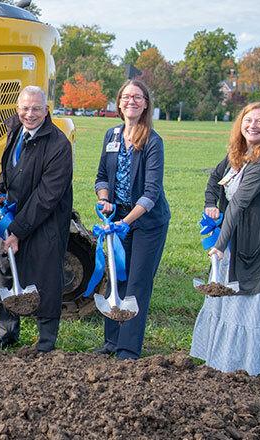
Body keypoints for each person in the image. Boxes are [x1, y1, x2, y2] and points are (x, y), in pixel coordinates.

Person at [190, 102, 260, 375]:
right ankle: (222, 361)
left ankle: (248, 366)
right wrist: (211, 203)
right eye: (248, 120)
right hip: (234, 238)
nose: (252, 126)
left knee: (248, 302)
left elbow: (239, 203)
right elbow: (214, 179)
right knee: (228, 301)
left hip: (258, 242)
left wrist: (219, 245)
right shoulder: (239, 153)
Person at [0, 86, 73, 352]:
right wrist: (0, 187)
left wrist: (17, 231)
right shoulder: (16, 128)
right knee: (8, 272)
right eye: (24, 108)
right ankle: (7, 333)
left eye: (36, 109)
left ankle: (45, 341)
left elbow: (47, 196)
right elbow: (10, 167)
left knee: (44, 277)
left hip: (46, 222)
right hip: (16, 216)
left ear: (46, 110)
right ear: (17, 108)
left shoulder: (58, 145)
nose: (29, 114)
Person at [93, 79, 170, 360]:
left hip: (147, 222)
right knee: (116, 277)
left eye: (137, 97)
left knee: (137, 282)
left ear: (146, 103)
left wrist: (126, 222)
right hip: (118, 217)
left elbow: (151, 193)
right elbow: (102, 176)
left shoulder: (152, 141)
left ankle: (127, 348)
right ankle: (111, 342)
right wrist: (104, 200)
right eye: (126, 97)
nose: (131, 101)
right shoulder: (111, 135)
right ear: (119, 102)